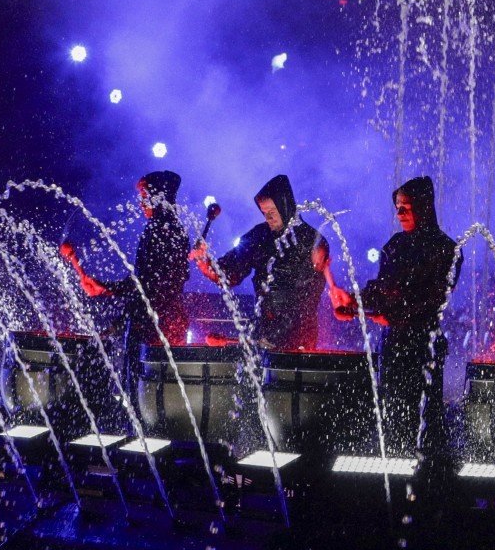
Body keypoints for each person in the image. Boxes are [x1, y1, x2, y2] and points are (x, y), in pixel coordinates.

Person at [340, 177, 459, 416]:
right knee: (393, 410)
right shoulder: (394, 245)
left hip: (423, 347)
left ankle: (426, 451)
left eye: (406, 207)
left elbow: (434, 297)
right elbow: (382, 288)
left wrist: (395, 316)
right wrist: (355, 302)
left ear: (423, 207)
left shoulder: (446, 249)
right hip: (394, 346)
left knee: (423, 414)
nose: (400, 214)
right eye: (397, 208)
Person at [61, 170, 191, 372]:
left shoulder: (163, 230)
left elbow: (149, 285)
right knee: (148, 391)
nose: (141, 203)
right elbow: (147, 283)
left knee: (145, 390)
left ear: (159, 197)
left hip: (157, 326)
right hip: (159, 322)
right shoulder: (167, 228)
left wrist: (105, 288)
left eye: (145, 196)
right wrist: (106, 290)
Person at [192, 173, 326, 351]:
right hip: (261, 329)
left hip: (298, 337)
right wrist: (205, 262)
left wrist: (280, 331)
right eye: (264, 213)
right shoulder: (260, 235)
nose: (268, 218)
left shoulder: (313, 240)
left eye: (272, 212)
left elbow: (309, 297)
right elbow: (229, 272)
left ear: (285, 207)